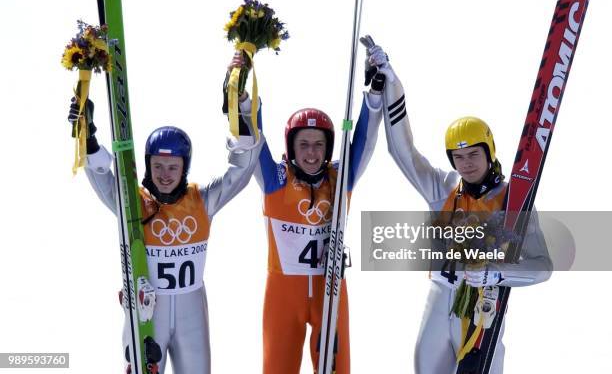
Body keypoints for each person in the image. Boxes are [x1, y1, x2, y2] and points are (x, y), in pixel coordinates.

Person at [367, 42, 552, 374]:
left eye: (473, 155)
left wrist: (496, 272)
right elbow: (403, 152)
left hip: (482, 309)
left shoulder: (513, 200)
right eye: (458, 156)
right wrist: (391, 83)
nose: (466, 164)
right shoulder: (445, 187)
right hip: (439, 299)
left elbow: (542, 267)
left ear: (489, 151)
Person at [67, 86, 263, 373]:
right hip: (149, 309)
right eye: (158, 166)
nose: (164, 175)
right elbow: (102, 178)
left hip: (191, 309)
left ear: (185, 168)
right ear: (147, 165)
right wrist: (88, 134)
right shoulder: (133, 204)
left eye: (173, 167)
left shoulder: (202, 201)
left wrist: (242, 115)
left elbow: (240, 173)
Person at [226, 46, 384, 374]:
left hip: (331, 287)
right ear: (292, 147)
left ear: (328, 148)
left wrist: (375, 94)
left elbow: (364, 141)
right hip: (284, 291)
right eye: (304, 144)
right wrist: (240, 97)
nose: (312, 153)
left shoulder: (341, 178)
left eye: (319, 145)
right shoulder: (275, 178)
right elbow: (254, 139)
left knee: (337, 369)